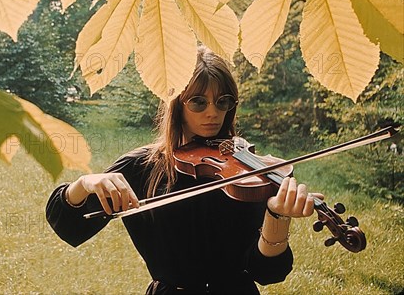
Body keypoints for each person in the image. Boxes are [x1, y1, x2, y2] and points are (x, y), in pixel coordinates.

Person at [45, 46, 323, 294]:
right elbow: (68, 227)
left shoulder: (248, 175)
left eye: (223, 101)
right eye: (199, 102)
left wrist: (277, 217)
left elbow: (267, 273)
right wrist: (84, 184)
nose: (213, 112)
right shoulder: (141, 168)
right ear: (178, 104)